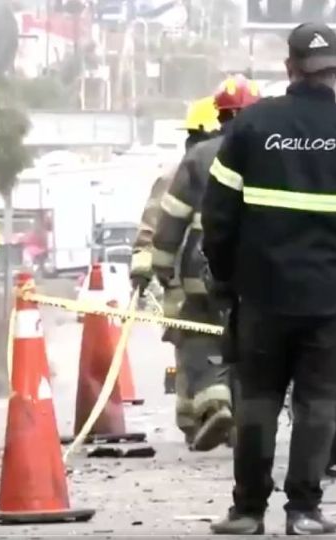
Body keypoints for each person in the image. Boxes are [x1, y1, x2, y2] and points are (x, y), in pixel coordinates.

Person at [202, 22, 336, 535]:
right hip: (329, 298)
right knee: (317, 405)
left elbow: (218, 214)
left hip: (262, 296)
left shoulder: (250, 127)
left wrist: (226, 278)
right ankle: (304, 512)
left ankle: (247, 512)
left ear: (290, 67)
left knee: (259, 403)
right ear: (335, 71)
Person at [151, 75, 260, 452]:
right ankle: (248, 418)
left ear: (220, 114)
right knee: (249, 339)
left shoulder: (199, 156)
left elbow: (172, 215)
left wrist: (162, 263)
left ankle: (215, 404)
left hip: (202, 267)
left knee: (199, 333)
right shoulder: (271, 154)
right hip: (256, 271)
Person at [131, 95, 220, 444]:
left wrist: (146, 268)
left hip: (181, 277)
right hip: (203, 277)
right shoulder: (240, 167)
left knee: (190, 345)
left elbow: (151, 230)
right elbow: (150, 231)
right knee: (201, 343)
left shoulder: (177, 174)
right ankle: (201, 415)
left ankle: (196, 417)